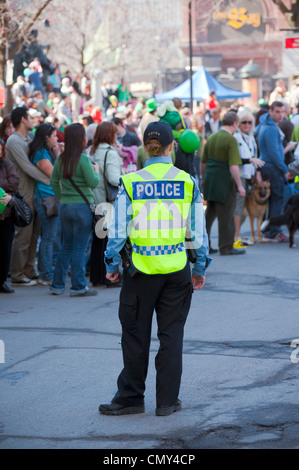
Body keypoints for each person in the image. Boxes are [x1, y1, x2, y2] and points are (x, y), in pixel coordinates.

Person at [99, 121, 211, 417]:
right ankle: (167, 402)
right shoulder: (187, 182)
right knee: (171, 336)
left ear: (145, 149)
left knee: (135, 336)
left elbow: (117, 229)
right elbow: (197, 232)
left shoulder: (132, 182)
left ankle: (131, 398)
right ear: (172, 146)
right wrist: (200, 265)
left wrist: (111, 264)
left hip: (140, 273)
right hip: (176, 271)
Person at [50, 123, 100, 296]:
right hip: (81, 207)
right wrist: (97, 171)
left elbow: (54, 181)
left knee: (67, 246)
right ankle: (78, 286)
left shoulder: (60, 159)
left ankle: (57, 284)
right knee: (80, 247)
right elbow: (93, 183)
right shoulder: (84, 159)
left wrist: (60, 197)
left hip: (65, 206)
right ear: (81, 138)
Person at [6, 106, 50, 286]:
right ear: (23, 119)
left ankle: (30, 271)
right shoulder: (13, 141)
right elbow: (27, 166)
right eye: (30, 117)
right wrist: (50, 181)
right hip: (23, 193)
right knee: (23, 235)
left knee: (34, 235)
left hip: (36, 192)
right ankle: (17, 274)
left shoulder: (29, 138)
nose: (33, 120)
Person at [201, 111, 246, 255]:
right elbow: (233, 166)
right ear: (234, 124)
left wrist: (203, 178)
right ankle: (226, 246)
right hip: (224, 180)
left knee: (209, 214)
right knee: (226, 214)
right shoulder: (230, 139)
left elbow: (203, 163)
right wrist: (240, 185)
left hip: (210, 179)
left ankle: (204, 245)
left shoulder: (212, 137)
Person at [89, 121, 123, 286]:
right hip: (108, 202)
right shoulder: (110, 153)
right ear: (110, 136)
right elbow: (113, 178)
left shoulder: (91, 151)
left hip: (94, 200)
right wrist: (128, 178)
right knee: (108, 242)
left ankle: (96, 276)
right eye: (115, 134)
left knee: (98, 241)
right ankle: (108, 277)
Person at [256, 101, 293, 242]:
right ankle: (274, 231)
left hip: (267, 166)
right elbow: (275, 154)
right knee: (277, 200)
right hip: (272, 167)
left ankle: (269, 230)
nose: (281, 114)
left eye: (283, 111)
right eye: (277, 111)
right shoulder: (271, 128)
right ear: (270, 111)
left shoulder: (264, 124)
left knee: (272, 201)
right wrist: (284, 170)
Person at [29, 124, 60, 285]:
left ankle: (46, 271)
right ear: (46, 137)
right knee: (49, 237)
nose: (57, 138)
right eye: (54, 136)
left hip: (49, 198)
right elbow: (55, 175)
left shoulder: (46, 152)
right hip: (45, 199)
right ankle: (46, 274)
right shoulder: (41, 154)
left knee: (50, 236)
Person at [233, 109, 264, 244]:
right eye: (244, 122)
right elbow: (236, 159)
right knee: (239, 207)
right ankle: (236, 236)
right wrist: (251, 161)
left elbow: (254, 156)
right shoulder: (236, 137)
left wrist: (257, 174)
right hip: (239, 176)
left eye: (249, 122)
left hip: (248, 175)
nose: (247, 124)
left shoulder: (250, 137)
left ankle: (237, 233)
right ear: (238, 123)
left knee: (243, 208)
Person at [0, 138, 19, 293]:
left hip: (6, 213)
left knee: (6, 248)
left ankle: (2, 281)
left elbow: (14, 183)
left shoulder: (7, 165)